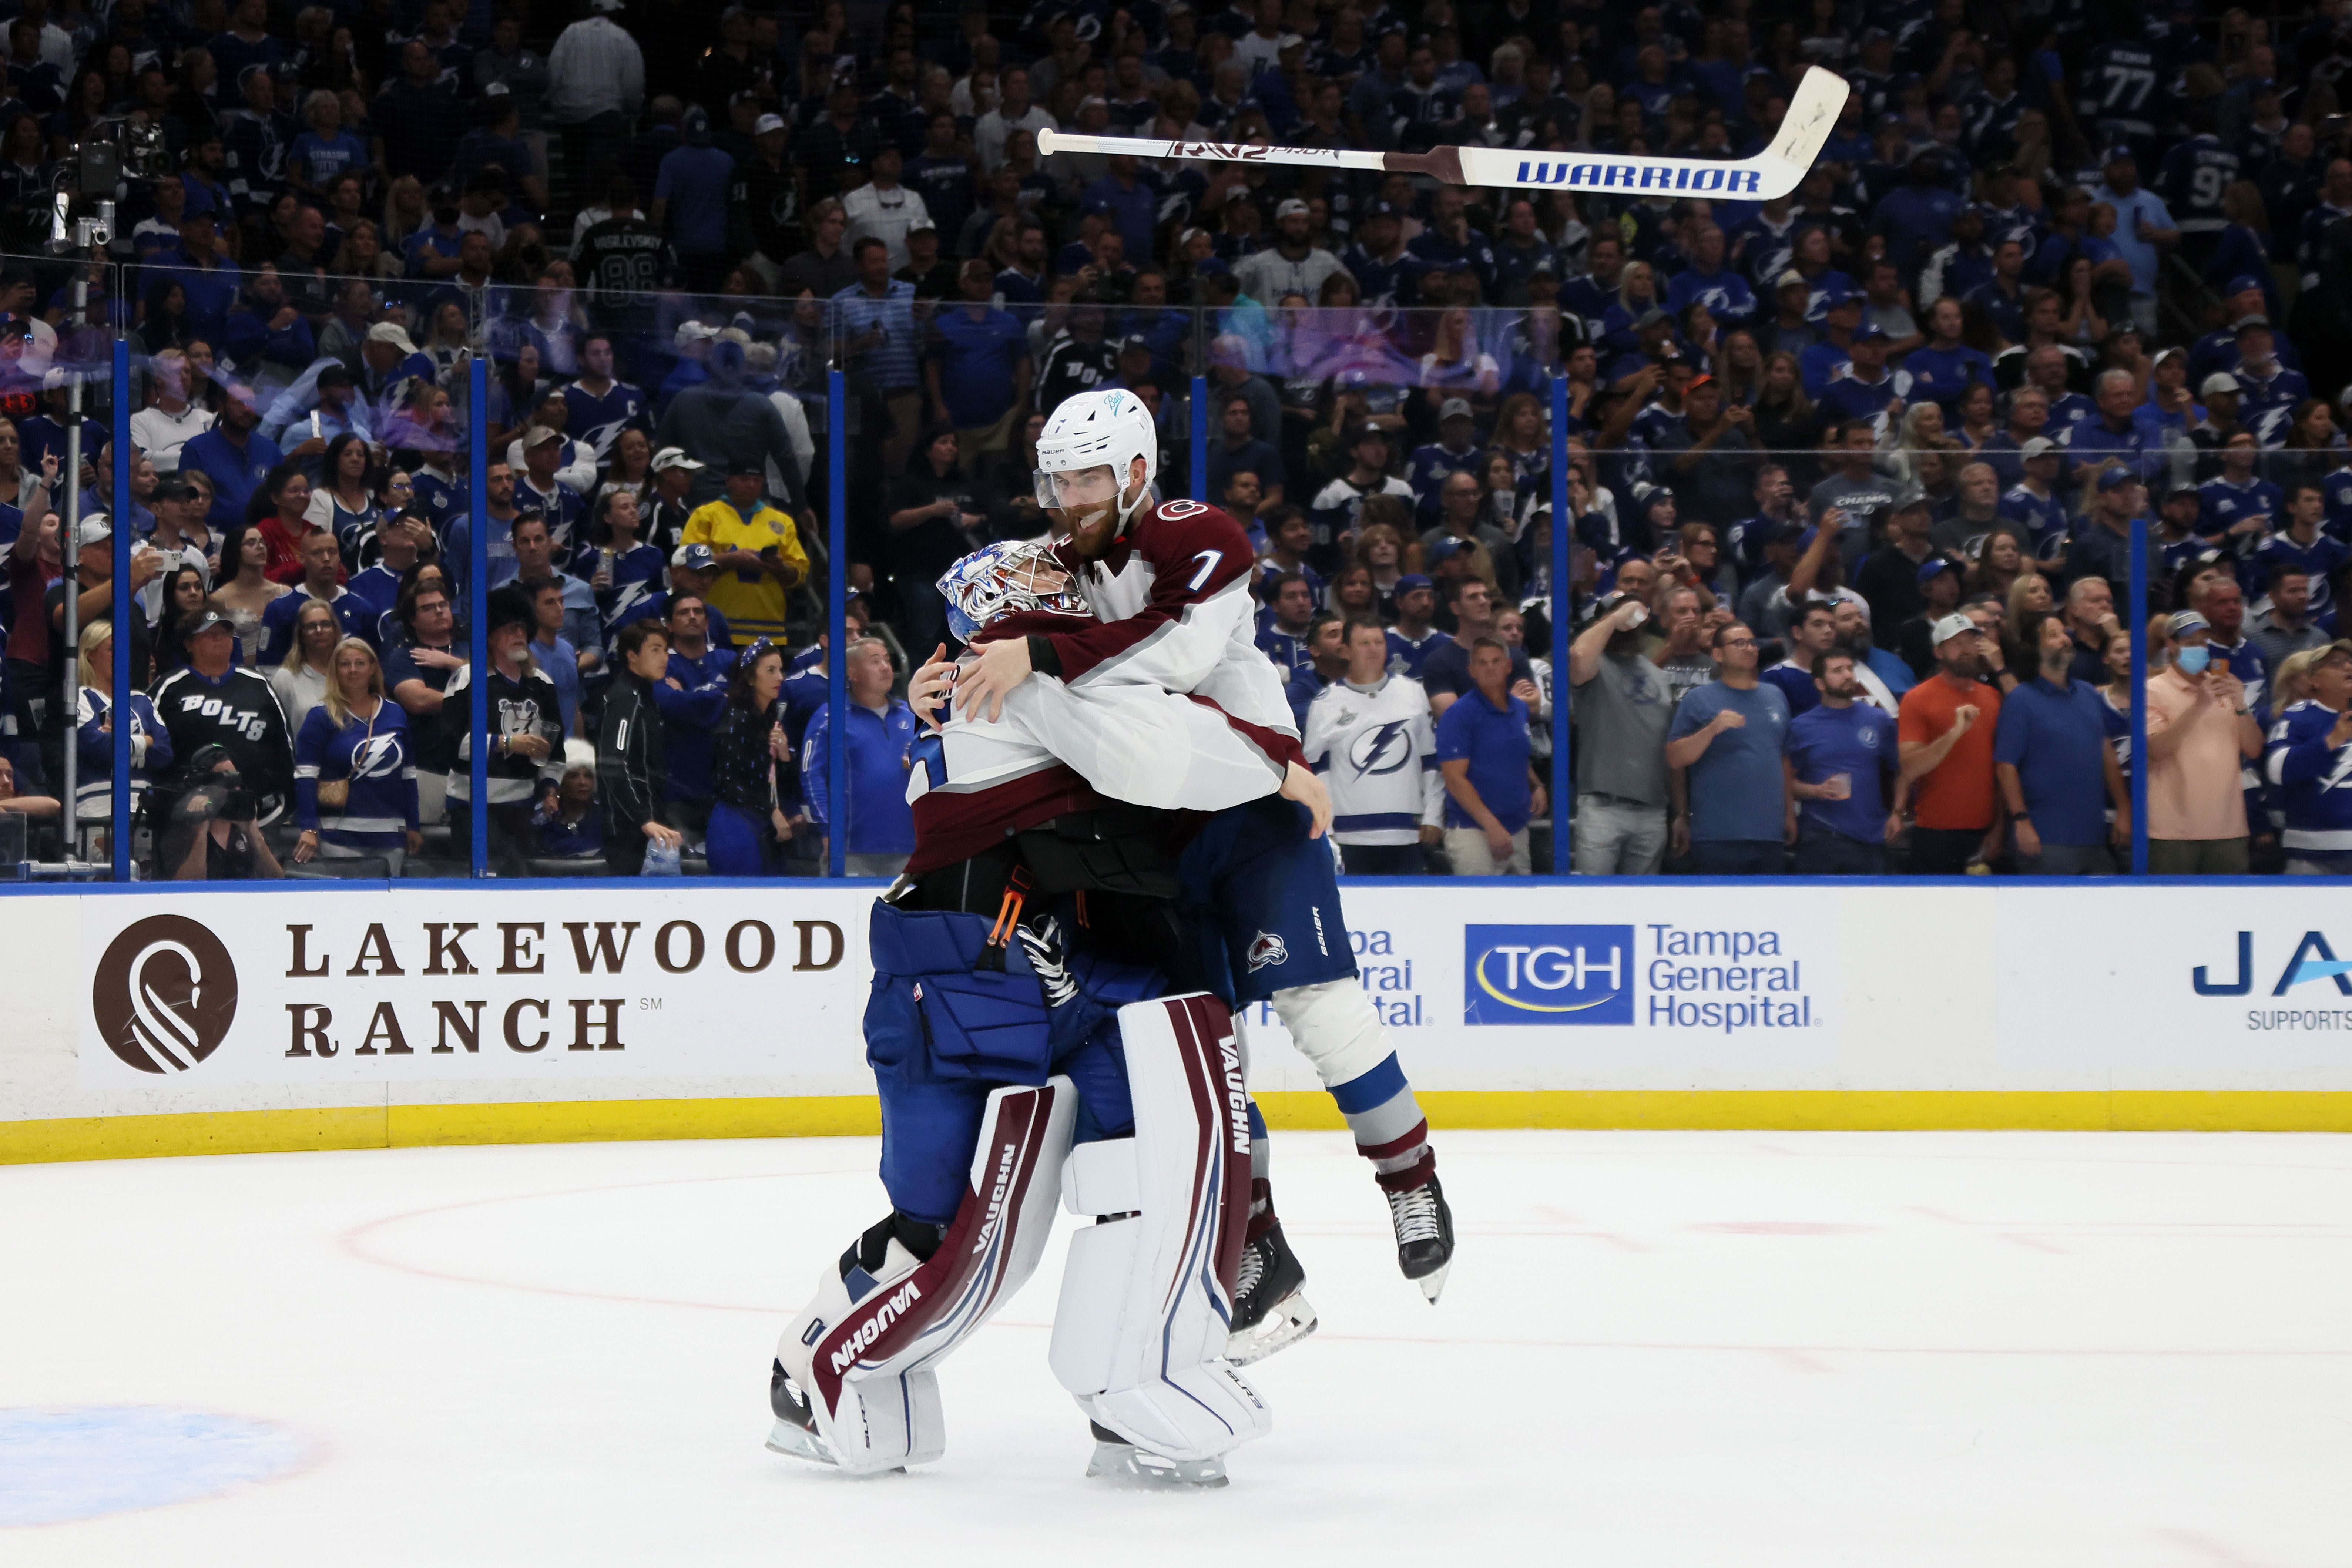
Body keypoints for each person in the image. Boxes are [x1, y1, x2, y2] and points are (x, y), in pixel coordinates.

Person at [927, 389, 1453, 1342]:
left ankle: (1410, 1180)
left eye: (1084, 476)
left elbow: (1174, 650)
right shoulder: (1055, 563)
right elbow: (1001, 626)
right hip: (1144, 838)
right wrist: (950, 668)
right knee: (1207, 1049)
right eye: (1054, 479)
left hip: (1252, 798)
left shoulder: (1193, 530)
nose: (1065, 495)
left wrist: (1037, 654)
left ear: (1134, 470)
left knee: (1322, 1009)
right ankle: (1257, 1244)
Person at [1992, 611, 2131, 874]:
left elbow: (2107, 755)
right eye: (2053, 635)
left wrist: (2124, 810)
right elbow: (2005, 765)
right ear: (2035, 648)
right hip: (2046, 835)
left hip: (2093, 834)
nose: (2065, 640)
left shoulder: (2089, 694)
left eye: (2064, 634)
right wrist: (2021, 821)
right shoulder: (2021, 700)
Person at [1302, 618, 1442, 874]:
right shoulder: (1326, 703)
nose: (1373, 649)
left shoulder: (1413, 693)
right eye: (1364, 643)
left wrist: (1433, 817)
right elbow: (1316, 771)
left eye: (1379, 642)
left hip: (1408, 836)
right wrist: (1327, 829)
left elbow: (1431, 761)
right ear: (1345, 651)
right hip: (1349, 839)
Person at [443, 586, 563, 871]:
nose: (520, 636)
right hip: (471, 808)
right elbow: (450, 743)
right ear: (491, 637)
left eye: (522, 630)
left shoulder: (541, 684)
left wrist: (549, 790)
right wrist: (505, 743)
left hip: (522, 807)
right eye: (511, 630)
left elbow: (554, 748)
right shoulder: (468, 678)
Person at [150, 608, 295, 830]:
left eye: (225, 633)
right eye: (209, 634)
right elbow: (153, 743)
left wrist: (289, 796)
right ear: (189, 644)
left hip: (258, 811)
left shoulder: (258, 683)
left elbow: (284, 745)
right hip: (190, 813)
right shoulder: (169, 687)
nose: (219, 639)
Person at [2145, 609, 2263, 874]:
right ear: (2171, 645)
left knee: (2227, 911)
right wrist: (2197, 707)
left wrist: (2241, 706)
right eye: (2189, 643)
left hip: (2228, 826)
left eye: (2202, 643)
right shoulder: (2152, 691)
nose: (2198, 649)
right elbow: (2155, 749)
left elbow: (2254, 749)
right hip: (2172, 829)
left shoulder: (2226, 687)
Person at [1665, 621, 1790, 873]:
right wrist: (1712, 729)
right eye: (1739, 643)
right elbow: (1674, 758)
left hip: (1769, 834)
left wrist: (1789, 813)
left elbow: (1783, 758)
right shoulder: (1698, 698)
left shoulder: (1776, 695)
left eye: (1753, 642)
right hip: (1717, 835)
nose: (1749, 648)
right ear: (1718, 654)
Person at [292, 636, 421, 874]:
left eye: (360, 663)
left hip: (391, 834)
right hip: (338, 834)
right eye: (345, 664)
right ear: (335, 671)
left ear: (373, 668)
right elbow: (305, 777)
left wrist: (413, 825)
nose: (353, 670)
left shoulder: (395, 713)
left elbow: (408, 776)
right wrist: (309, 827)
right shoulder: (321, 716)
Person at [1567, 593, 1673, 874]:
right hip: (1604, 807)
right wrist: (1615, 618)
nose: (1628, 624)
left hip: (1652, 809)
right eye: (1619, 615)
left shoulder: (1658, 676)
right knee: (1595, 904)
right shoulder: (1595, 666)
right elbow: (1578, 656)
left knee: (1642, 906)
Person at [802, 635, 919, 878]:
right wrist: (827, 829)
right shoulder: (830, 717)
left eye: (887, 659)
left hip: (909, 847)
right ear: (853, 674)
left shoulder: (911, 716)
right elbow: (811, 775)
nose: (886, 667)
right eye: (875, 661)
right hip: (851, 848)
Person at [1896, 612, 2004, 874]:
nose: (1966, 650)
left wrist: (1999, 828)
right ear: (1939, 652)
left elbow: (2001, 769)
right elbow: (1910, 768)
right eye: (1956, 644)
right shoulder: (1917, 699)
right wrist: (1954, 733)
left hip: (1985, 831)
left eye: (1970, 642)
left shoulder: (1992, 697)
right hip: (1936, 833)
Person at [1782, 648, 1900, 875]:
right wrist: (1816, 791)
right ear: (1820, 684)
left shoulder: (1879, 720)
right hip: (1820, 839)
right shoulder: (1801, 727)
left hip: (1872, 838)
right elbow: (1786, 784)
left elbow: (1900, 771)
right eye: (1838, 671)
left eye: (1850, 669)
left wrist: (1898, 812)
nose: (1848, 675)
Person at [70, 622, 172, 854]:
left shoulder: (141, 700)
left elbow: (165, 752)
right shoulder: (80, 697)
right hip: (95, 813)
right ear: (90, 656)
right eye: (111, 649)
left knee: (143, 882)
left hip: (142, 811)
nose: (121, 655)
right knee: (100, 882)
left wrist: (116, 740)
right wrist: (144, 741)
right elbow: (95, 747)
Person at [682, 462, 808, 648]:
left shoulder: (782, 521)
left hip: (770, 630)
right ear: (729, 481)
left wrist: (781, 568)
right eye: (744, 479)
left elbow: (800, 574)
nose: (751, 485)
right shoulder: (706, 515)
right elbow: (687, 562)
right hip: (717, 627)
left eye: (756, 480)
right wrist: (730, 560)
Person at [597, 619, 682, 877]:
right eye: (655, 649)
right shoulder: (626, 698)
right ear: (632, 656)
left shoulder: (646, 699)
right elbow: (614, 764)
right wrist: (644, 819)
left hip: (647, 826)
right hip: (629, 832)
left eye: (666, 650)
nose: (664, 658)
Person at [381, 576, 465, 827]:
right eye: (428, 608)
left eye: (443, 605)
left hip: (473, 769)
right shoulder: (404, 657)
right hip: (427, 767)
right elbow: (419, 700)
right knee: (426, 841)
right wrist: (476, 698)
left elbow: (497, 680)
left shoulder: (471, 649)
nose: (439, 611)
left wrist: (453, 664)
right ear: (412, 620)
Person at [2264, 640, 2352, 876]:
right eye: (2336, 664)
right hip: (2312, 854)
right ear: (2315, 680)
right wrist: (2331, 741)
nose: (2348, 667)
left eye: (2350, 662)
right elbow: (2276, 770)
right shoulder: (2298, 716)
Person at [160, 743, 286, 881]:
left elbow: (277, 881)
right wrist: (201, 833)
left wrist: (254, 835)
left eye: (236, 779)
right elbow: (187, 888)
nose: (234, 789)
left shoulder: (242, 825)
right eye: (226, 782)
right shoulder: (184, 828)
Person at [267, 597, 341, 735]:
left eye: (325, 624)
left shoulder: (350, 671)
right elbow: (273, 728)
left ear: (335, 630)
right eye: (311, 626)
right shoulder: (286, 678)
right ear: (301, 635)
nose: (319, 631)